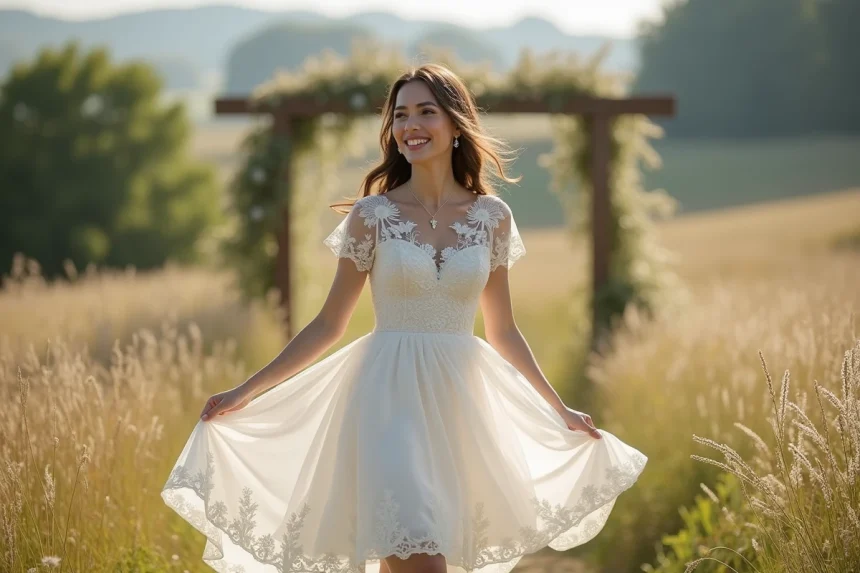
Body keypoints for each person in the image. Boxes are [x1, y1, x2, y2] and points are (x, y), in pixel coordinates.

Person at [162, 63, 647, 573]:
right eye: (400, 115)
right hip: (384, 400)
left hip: (461, 406)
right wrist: (245, 392)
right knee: (420, 556)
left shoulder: (493, 217)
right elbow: (329, 323)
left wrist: (560, 410)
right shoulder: (372, 216)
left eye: (426, 112)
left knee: (426, 554)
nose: (410, 125)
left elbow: (503, 330)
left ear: (456, 125)